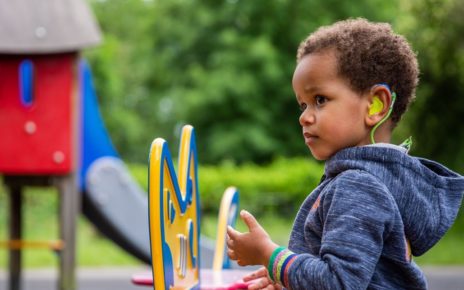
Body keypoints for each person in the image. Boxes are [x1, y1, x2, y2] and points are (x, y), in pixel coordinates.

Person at [226, 18, 464, 290]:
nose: (304, 117)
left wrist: (271, 256)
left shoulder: (358, 185)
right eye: (302, 105)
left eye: (320, 100)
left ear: (376, 104)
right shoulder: (372, 182)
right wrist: (287, 277)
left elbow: (339, 282)